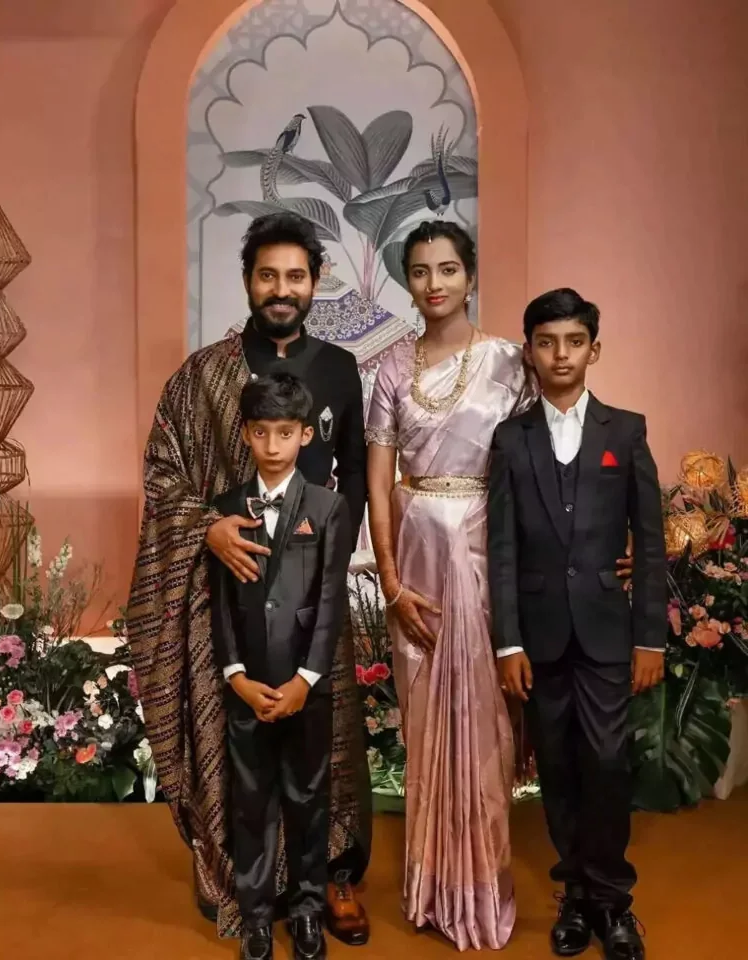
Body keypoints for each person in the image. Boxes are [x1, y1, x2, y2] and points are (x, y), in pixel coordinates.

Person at [365, 221, 633, 952]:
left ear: (471, 276)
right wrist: (390, 581)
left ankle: (483, 889)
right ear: (407, 282)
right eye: (421, 271)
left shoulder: (511, 362)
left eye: (449, 268)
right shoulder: (388, 369)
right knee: (427, 724)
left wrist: (600, 544)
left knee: (487, 726)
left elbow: (554, 459)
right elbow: (379, 482)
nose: (435, 283)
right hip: (416, 559)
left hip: (493, 555)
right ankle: (431, 887)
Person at [126, 213, 371, 944]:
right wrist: (206, 528)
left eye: (295, 276)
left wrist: (331, 560)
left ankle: (332, 876)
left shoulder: (340, 368)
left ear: (316, 283)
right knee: (245, 745)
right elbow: (163, 471)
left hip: (314, 589)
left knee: (327, 738)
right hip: (226, 590)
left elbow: (357, 473)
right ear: (247, 282)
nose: (281, 289)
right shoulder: (204, 375)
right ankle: (250, 881)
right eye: (268, 275)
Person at [487, 288, 667, 960]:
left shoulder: (626, 431)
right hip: (538, 636)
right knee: (557, 766)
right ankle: (574, 896)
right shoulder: (511, 439)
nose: (560, 355)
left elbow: (651, 543)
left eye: (573, 342)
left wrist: (649, 637)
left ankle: (612, 902)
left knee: (608, 762)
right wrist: (508, 641)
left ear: (595, 349)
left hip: (608, 632)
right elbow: (501, 548)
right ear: (529, 351)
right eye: (546, 342)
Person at [210, 373, 351, 960]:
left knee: (308, 798)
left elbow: (332, 601)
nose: (273, 445)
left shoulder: (329, 506)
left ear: (305, 435)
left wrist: (305, 680)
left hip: (304, 687)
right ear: (246, 433)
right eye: (262, 432)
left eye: (285, 433)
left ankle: (309, 909)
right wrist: (236, 676)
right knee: (251, 801)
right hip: (247, 686)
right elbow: (220, 605)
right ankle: (256, 916)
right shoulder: (224, 512)